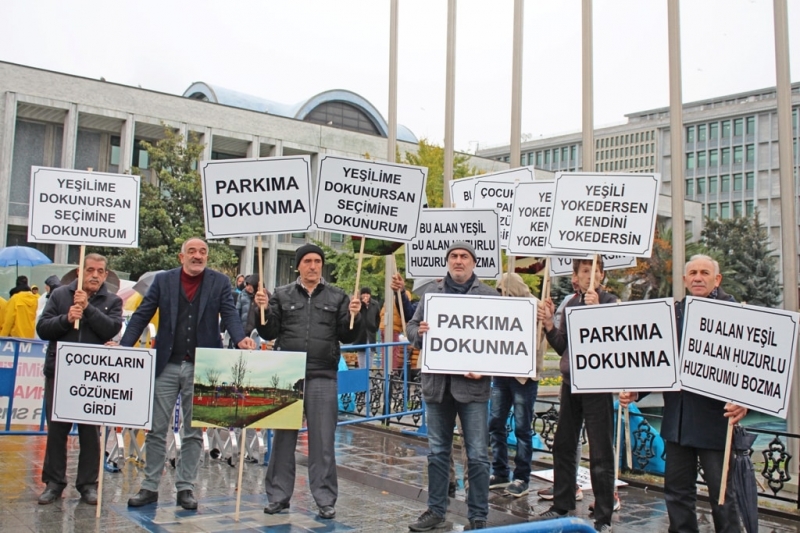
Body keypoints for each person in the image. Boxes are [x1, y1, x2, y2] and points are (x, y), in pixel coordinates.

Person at [121, 238, 255, 510]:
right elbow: (142, 314)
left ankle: (186, 488)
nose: (197, 256)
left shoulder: (218, 282)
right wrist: (124, 346)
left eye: (202, 252)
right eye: (192, 251)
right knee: (157, 429)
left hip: (204, 367)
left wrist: (240, 338)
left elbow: (229, 314)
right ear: (181, 256)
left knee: (194, 430)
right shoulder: (163, 281)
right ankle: (149, 487)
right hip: (167, 364)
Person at [619, 254, 747, 533]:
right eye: (692, 273)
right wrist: (637, 391)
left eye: (704, 272)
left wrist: (744, 402)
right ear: (685, 279)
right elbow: (661, 362)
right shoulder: (675, 312)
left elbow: (748, 366)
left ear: (717, 279)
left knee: (723, 497)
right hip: (677, 421)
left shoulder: (735, 312)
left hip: (715, 422)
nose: (698, 277)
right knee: (677, 494)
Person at [253, 243, 362, 520]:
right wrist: (261, 310)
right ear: (298, 265)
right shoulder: (280, 294)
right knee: (283, 441)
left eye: (317, 261)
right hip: (288, 374)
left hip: (323, 374)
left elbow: (348, 336)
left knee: (323, 441)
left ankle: (325, 498)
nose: (313, 266)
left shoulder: (338, 296)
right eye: (308, 261)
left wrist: (355, 316)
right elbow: (268, 331)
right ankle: (278, 496)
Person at [406, 242, 496, 532]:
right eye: (454, 257)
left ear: (473, 263)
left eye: (464, 257)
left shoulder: (490, 296)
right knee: (437, 452)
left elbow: (500, 346)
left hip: (473, 389)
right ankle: (435, 510)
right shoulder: (432, 294)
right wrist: (418, 334)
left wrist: (485, 369)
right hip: (438, 387)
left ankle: (478, 516)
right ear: (448, 262)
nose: (458, 261)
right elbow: (410, 328)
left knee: (478, 454)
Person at [537, 257, 617, 532]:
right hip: (572, 382)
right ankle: (562, 503)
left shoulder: (610, 302)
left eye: (591, 272)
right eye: (583, 272)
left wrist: (598, 314)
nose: (587, 277)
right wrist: (548, 325)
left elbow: (614, 342)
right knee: (564, 444)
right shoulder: (571, 303)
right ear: (577, 277)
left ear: (601, 275)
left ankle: (604, 515)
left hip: (598, 384)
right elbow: (562, 347)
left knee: (601, 451)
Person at [35, 253, 123, 505]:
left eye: (100, 271)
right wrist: (66, 318)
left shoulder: (112, 300)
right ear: (79, 272)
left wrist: (87, 308)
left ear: (105, 275)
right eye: (90, 270)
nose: (94, 275)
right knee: (56, 430)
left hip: (92, 380)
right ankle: (53, 483)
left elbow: (110, 328)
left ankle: (88, 484)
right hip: (60, 374)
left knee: (90, 433)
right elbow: (43, 329)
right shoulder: (60, 295)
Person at [488, 273, 540, 498]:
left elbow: (541, 340)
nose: (501, 295)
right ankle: (500, 471)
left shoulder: (535, 307)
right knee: (496, 422)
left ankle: (522, 476)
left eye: (504, 290)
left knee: (522, 428)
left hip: (523, 378)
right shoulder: (499, 307)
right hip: (501, 373)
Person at [355, 287, 381, 369]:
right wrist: (362, 304)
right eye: (364, 293)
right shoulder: (358, 303)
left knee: (370, 352)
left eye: (367, 294)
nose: (365, 295)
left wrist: (375, 327)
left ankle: (368, 372)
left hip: (371, 331)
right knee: (361, 352)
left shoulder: (375, 304)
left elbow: (378, 318)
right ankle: (362, 371)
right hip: (360, 331)